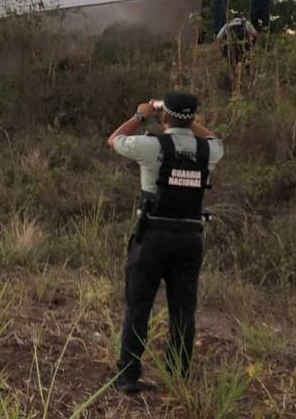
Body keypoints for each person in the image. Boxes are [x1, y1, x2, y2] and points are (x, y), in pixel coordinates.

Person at [106, 92, 224, 394]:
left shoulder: (151, 145)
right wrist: (187, 122)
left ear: (164, 116)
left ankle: (129, 376)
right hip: (190, 239)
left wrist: (141, 116)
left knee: (138, 306)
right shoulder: (208, 151)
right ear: (194, 117)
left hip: (153, 236)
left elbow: (113, 140)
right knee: (183, 309)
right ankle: (178, 374)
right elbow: (214, 139)